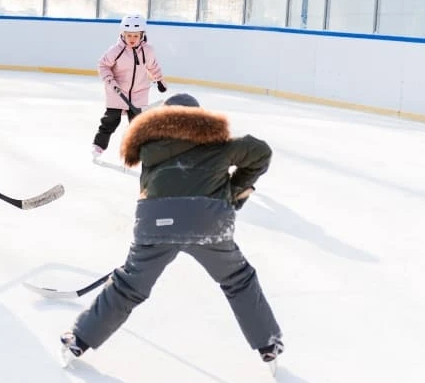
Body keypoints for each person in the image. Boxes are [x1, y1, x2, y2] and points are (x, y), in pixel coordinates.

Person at [61, 93, 284, 368]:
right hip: (208, 221)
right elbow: (261, 152)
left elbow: (149, 191)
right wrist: (235, 192)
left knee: (129, 284)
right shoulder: (222, 146)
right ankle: (268, 342)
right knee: (238, 279)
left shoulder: (149, 150)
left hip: (155, 222)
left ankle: (79, 340)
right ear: (201, 118)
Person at [92, 13, 166, 157]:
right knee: (110, 120)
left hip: (139, 93)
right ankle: (99, 145)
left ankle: (139, 151)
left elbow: (153, 66)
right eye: (128, 35)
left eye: (135, 36)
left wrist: (159, 80)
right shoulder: (116, 51)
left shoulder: (148, 50)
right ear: (122, 34)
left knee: (137, 123)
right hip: (117, 92)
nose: (132, 39)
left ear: (142, 35)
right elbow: (103, 65)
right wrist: (110, 81)